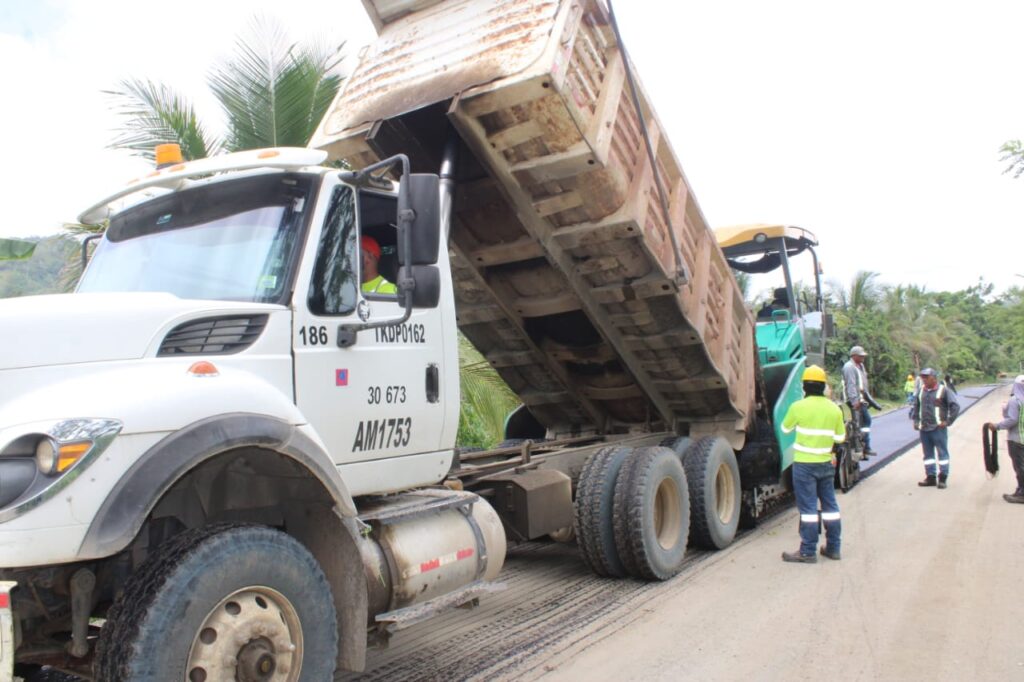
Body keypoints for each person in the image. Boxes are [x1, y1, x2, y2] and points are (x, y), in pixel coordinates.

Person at [779, 365, 846, 563]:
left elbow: (784, 429)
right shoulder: (834, 409)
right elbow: (840, 437)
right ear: (823, 386)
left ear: (805, 387)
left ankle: (808, 551)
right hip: (826, 463)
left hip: (804, 466)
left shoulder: (798, 407)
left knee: (808, 509)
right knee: (830, 506)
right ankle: (833, 548)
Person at [910, 367, 960, 489]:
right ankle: (930, 477)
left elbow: (955, 407)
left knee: (942, 453)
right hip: (924, 428)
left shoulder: (944, 391)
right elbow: (916, 407)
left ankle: (943, 478)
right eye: (923, 377)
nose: (924, 380)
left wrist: (948, 421)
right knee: (927, 455)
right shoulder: (921, 391)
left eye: (927, 377)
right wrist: (916, 420)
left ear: (934, 378)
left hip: (938, 428)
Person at [986, 375, 1024, 504]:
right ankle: (1020, 490)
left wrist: (996, 426)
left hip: (1016, 439)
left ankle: (1022, 493)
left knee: (1019, 467)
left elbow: (1012, 419)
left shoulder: (1015, 400)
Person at [841, 346, 880, 456]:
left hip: (862, 399)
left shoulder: (861, 366)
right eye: (860, 355)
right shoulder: (849, 367)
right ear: (853, 356)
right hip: (855, 400)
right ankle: (863, 445)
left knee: (864, 421)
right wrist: (854, 401)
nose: (863, 357)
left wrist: (870, 400)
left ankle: (862, 444)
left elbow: (863, 385)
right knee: (864, 421)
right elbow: (851, 385)